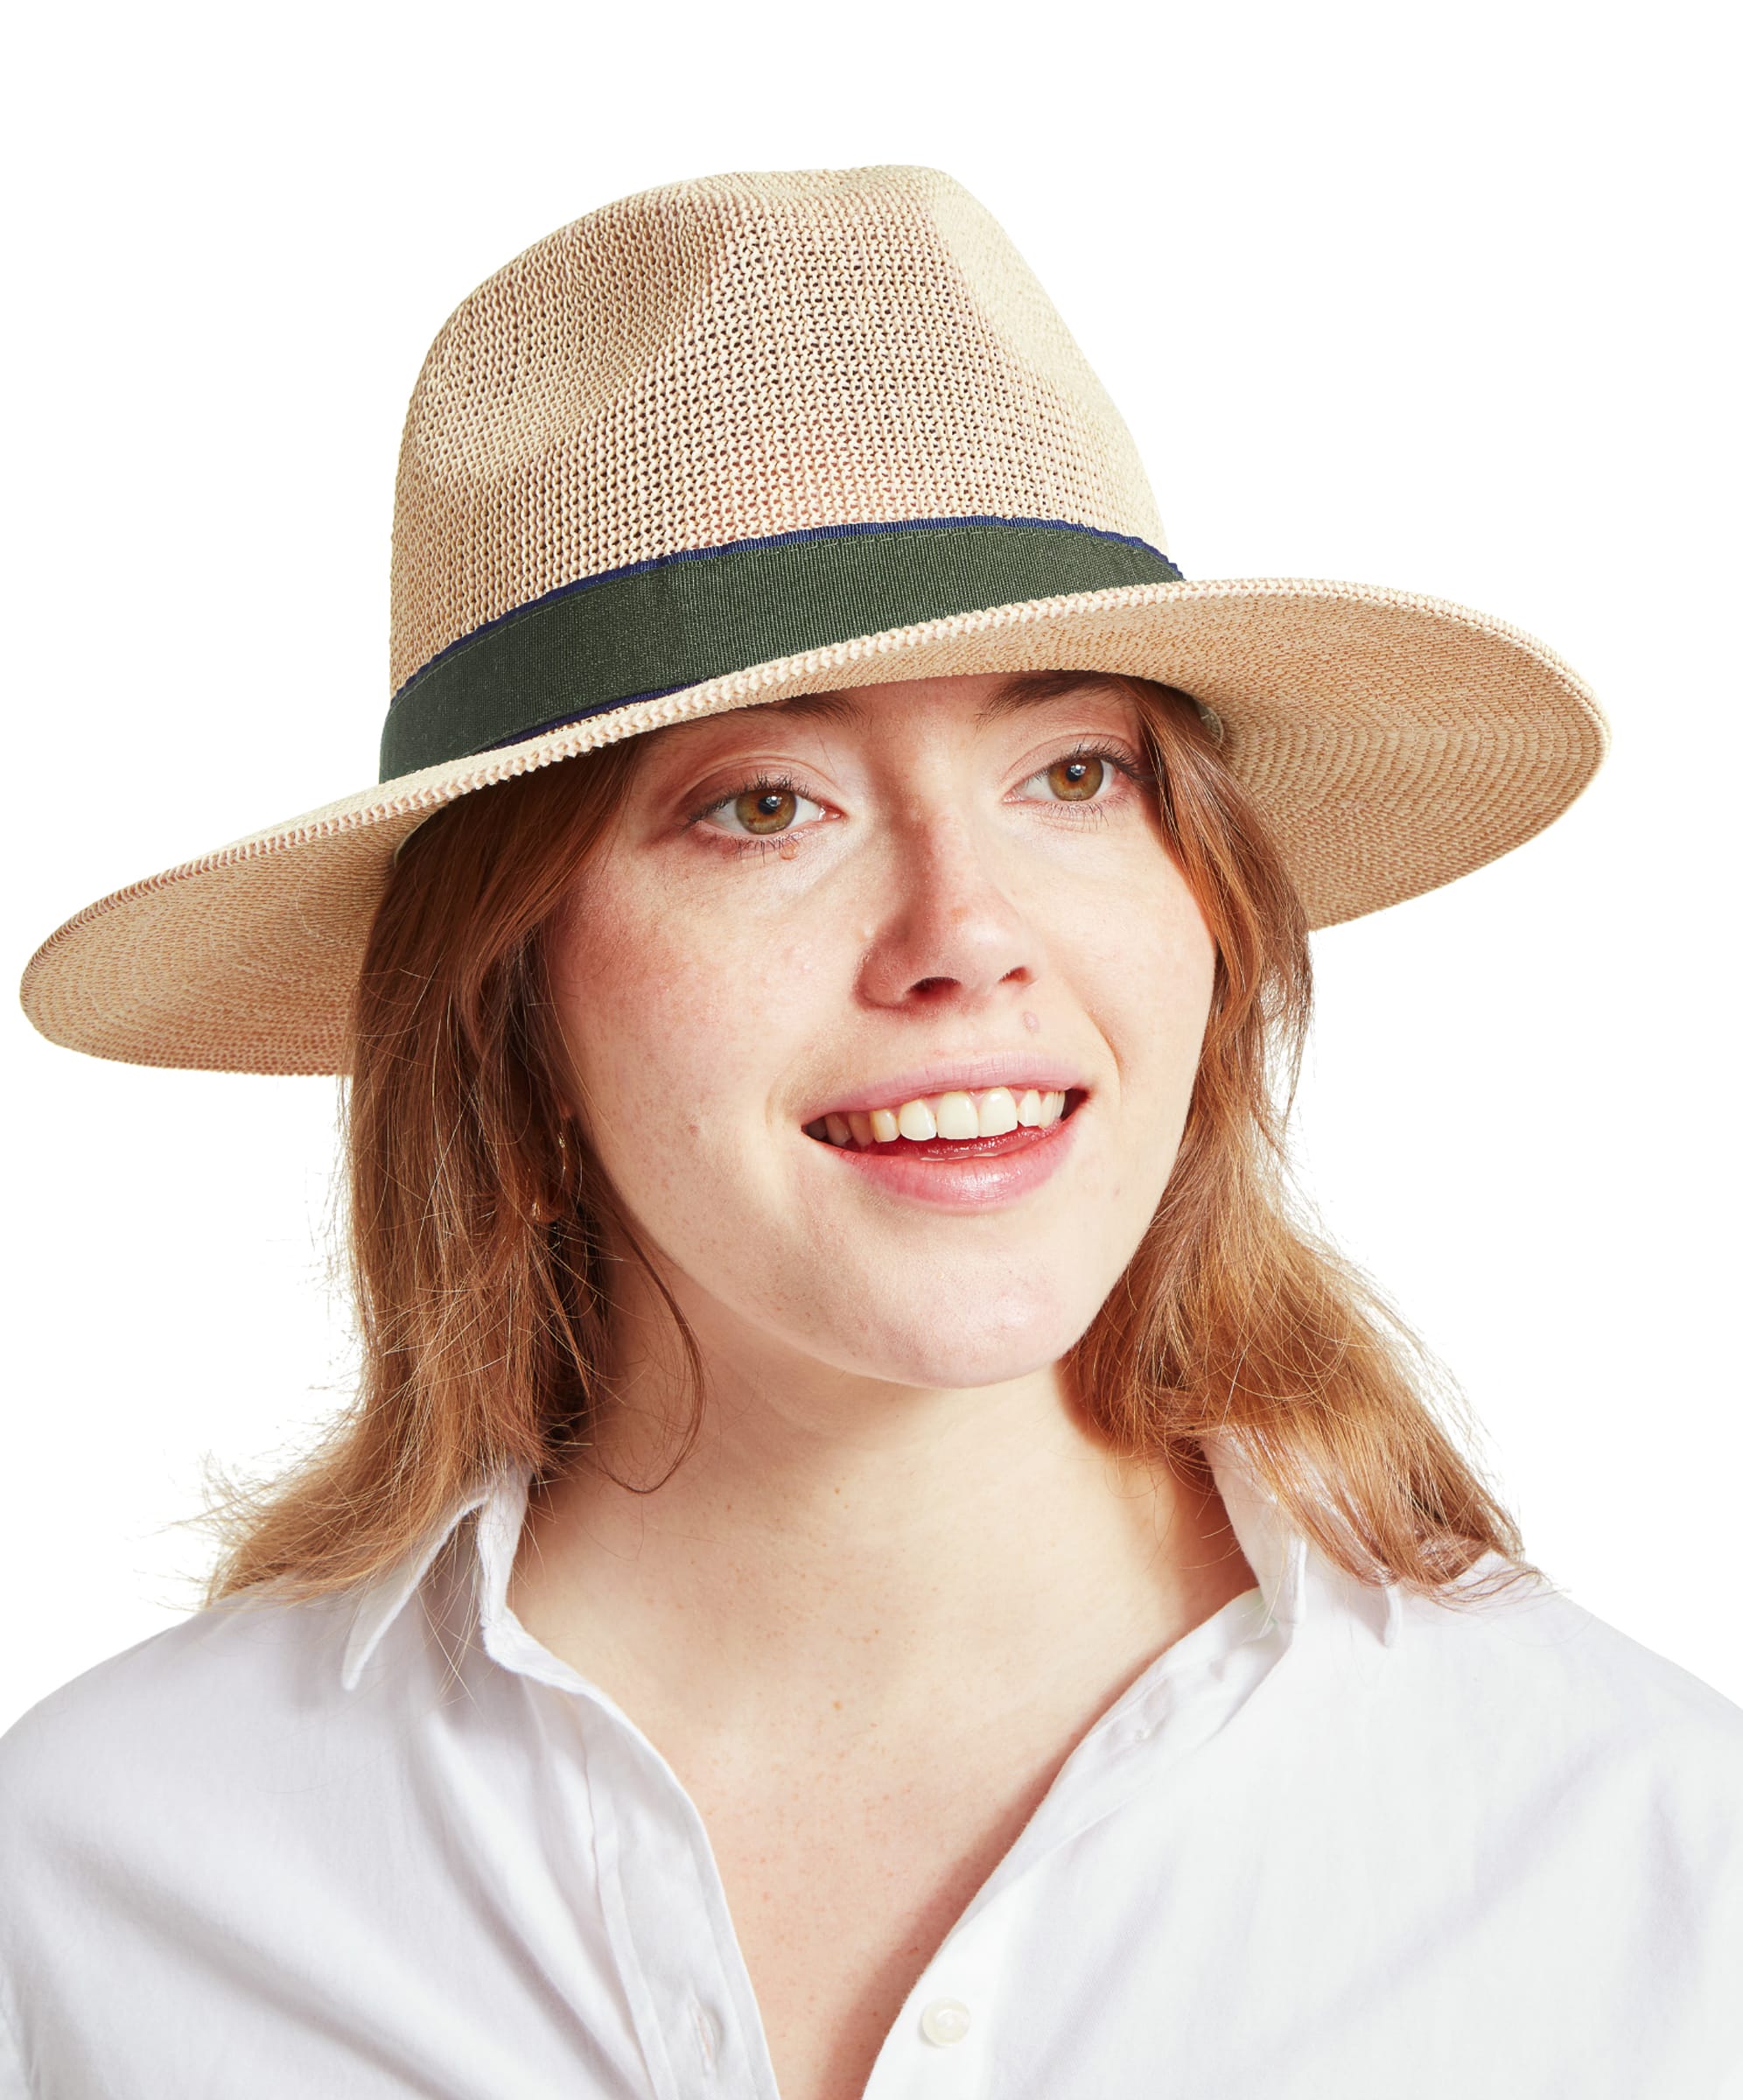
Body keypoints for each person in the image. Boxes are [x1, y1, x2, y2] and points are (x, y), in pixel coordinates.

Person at [4, 165, 1738, 2100]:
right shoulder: (93, 1892)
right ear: (512, 990)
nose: (964, 936)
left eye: (1071, 772)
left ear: (1212, 914)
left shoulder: (1638, 1868)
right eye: (765, 805)